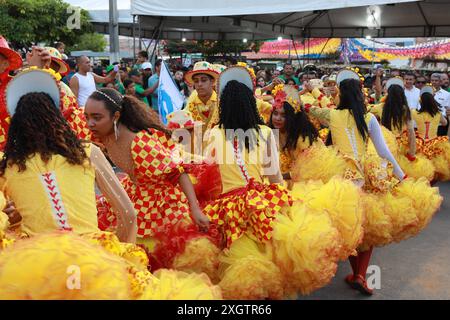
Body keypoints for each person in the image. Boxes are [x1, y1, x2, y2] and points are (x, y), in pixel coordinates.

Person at [201, 66, 341, 299]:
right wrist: (286, 207)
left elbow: (208, 175)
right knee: (269, 262)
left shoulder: (212, 134)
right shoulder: (265, 133)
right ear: (250, 103)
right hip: (261, 204)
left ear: (223, 105)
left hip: (226, 210)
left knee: (236, 272)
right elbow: (274, 176)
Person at [308, 72, 441, 295]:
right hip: (367, 176)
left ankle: (356, 275)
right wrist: (401, 176)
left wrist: (314, 89)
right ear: (360, 95)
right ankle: (360, 275)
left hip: (340, 179)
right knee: (369, 228)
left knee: (349, 229)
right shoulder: (369, 118)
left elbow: (311, 108)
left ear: (341, 93)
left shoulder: (332, 115)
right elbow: (383, 151)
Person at [84, 88, 221, 280]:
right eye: (87, 116)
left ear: (115, 116)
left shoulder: (140, 143)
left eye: (96, 117)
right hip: (135, 194)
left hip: (163, 203)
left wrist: (195, 210)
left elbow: (178, 172)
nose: (90, 123)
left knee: (165, 263)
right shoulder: (101, 133)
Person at [410, 86, 450, 181]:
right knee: (434, 166)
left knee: (419, 165)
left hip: (419, 143)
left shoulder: (414, 112)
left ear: (421, 101)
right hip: (434, 143)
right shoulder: (437, 114)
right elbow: (445, 123)